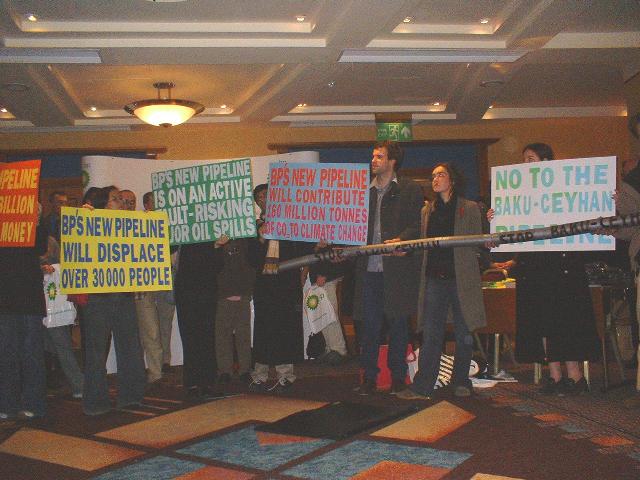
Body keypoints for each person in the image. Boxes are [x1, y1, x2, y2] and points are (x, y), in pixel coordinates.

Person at [492, 143, 600, 395]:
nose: (526, 164)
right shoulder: (520, 195)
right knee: (542, 321)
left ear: (546, 161)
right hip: (535, 266)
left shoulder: (565, 190)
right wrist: (497, 217)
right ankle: (554, 376)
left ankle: (575, 377)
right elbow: (515, 227)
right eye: (524, 160)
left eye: (531, 159)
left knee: (565, 320)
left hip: (562, 264)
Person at [397, 163, 486, 400]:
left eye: (441, 175)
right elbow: (423, 244)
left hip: (461, 279)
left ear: (452, 180)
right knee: (431, 333)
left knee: (463, 331)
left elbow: (479, 242)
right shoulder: (427, 211)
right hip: (435, 278)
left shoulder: (469, 208)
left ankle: (461, 381)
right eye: (433, 176)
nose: (435, 179)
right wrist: (405, 249)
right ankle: (423, 385)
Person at [352, 141, 424, 395]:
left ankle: (398, 377)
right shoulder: (363, 191)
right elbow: (352, 226)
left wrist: (402, 240)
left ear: (392, 161)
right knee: (369, 327)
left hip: (397, 270)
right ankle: (369, 378)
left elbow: (417, 225)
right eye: (373, 156)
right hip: (368, 270)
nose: (373, 160)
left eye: (379, 156)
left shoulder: (409, 189)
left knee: (398, 325)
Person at [82, 187, 146, 415]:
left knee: (130, 347)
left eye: (121, 199)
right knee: (96, 352)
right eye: (115, 199)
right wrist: (84, 218)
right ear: (103, 204)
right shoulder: (88, 223)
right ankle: (95, 402)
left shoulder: (129, 226)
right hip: (97, 298)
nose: (121, 203)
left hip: (123, 294)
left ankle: (131, 396)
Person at [248, 183, 308, 393]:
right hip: (264, 286)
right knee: (263, 329)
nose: (264, 199)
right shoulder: (253, 227)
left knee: (285, 328)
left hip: (286, 285)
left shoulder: (290, 222)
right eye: (259, 198)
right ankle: (259, 375)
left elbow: (302, 250)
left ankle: (285, 375)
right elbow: (251, 259)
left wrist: (307, 267)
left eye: (267, 195)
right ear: (257, 203)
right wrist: (260, 238)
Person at [0, 205, 49, 420]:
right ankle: (7, 404)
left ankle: (33, 403)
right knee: (6, 353)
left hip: (29, 297)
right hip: (5, 297)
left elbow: (40, 247)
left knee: (31, 353)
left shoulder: (36, 224)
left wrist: (35, 221)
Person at [132, 192, 176, 383]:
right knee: (150, 327)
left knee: (165, 322)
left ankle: (164, 361)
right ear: (146, 205)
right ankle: (153, 370)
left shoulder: (168, 223)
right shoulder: (136, 223)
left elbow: (174, 248)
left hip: (165, 278)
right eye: (155, 203)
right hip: (144, 281)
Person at [174, 234, 221, 400]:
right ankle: (193, 382)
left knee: (206, 336)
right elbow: (169, 247)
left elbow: (218, 265)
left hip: (206, 288)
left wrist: (217, 246)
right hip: (186, 288)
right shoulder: (182, 228)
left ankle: (207, 381)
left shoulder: (210, 232)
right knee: (190, 336)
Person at [214, 235, 254, 388]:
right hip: (223, 291)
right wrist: (217, 245)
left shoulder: (246, 235)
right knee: (223, 335)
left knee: (243, 334)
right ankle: (225, 370)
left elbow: (252, 260)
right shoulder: (216, 235)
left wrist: (249, 288)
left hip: (242, 291)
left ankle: (244, 370)